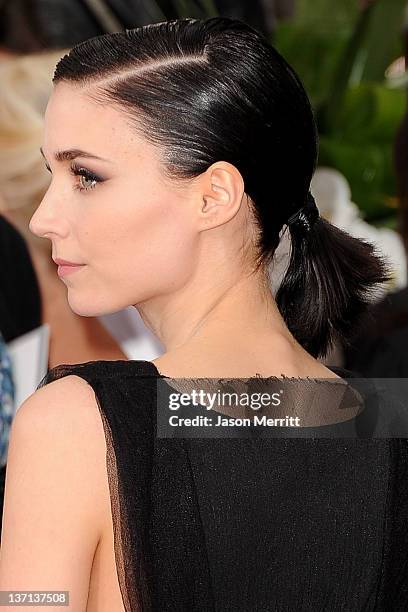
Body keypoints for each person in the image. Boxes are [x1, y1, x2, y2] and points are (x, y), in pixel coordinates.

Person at [0, 16, 405, 612]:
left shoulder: (76, 426)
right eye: (49, 173)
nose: (43, 218)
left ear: (214, 195)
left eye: (86, 176)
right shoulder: (383, 424)